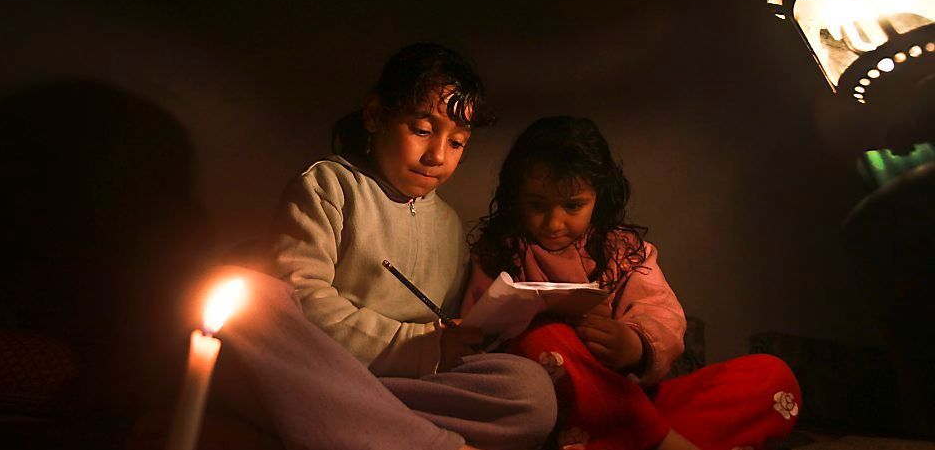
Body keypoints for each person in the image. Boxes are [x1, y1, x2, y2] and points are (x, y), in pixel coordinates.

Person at [234, 43, 557, 450]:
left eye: (457, 142)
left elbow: (443, 337)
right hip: (324, 373)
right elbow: (302, 305)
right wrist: (420, 345)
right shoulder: (329, 187)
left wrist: (455, 339)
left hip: (394, 391)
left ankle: (367, 429)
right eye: (422, 130)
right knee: (249, 295)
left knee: (530, 392)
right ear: (375, 115)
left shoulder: (450, 226)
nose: (436, 155)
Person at [464, 116, 801, 450]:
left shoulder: (622, 251)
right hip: (554, 415)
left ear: (599, 197)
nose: (554, 222)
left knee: (772, 376)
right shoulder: (498, 253)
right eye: (537, 205)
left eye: (572, 205)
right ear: (515, 197)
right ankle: (655, 441)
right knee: (543, 337)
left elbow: (660, 310)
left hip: (630, 400)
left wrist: (634, 345)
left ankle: (634, 437)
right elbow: (475, 338)